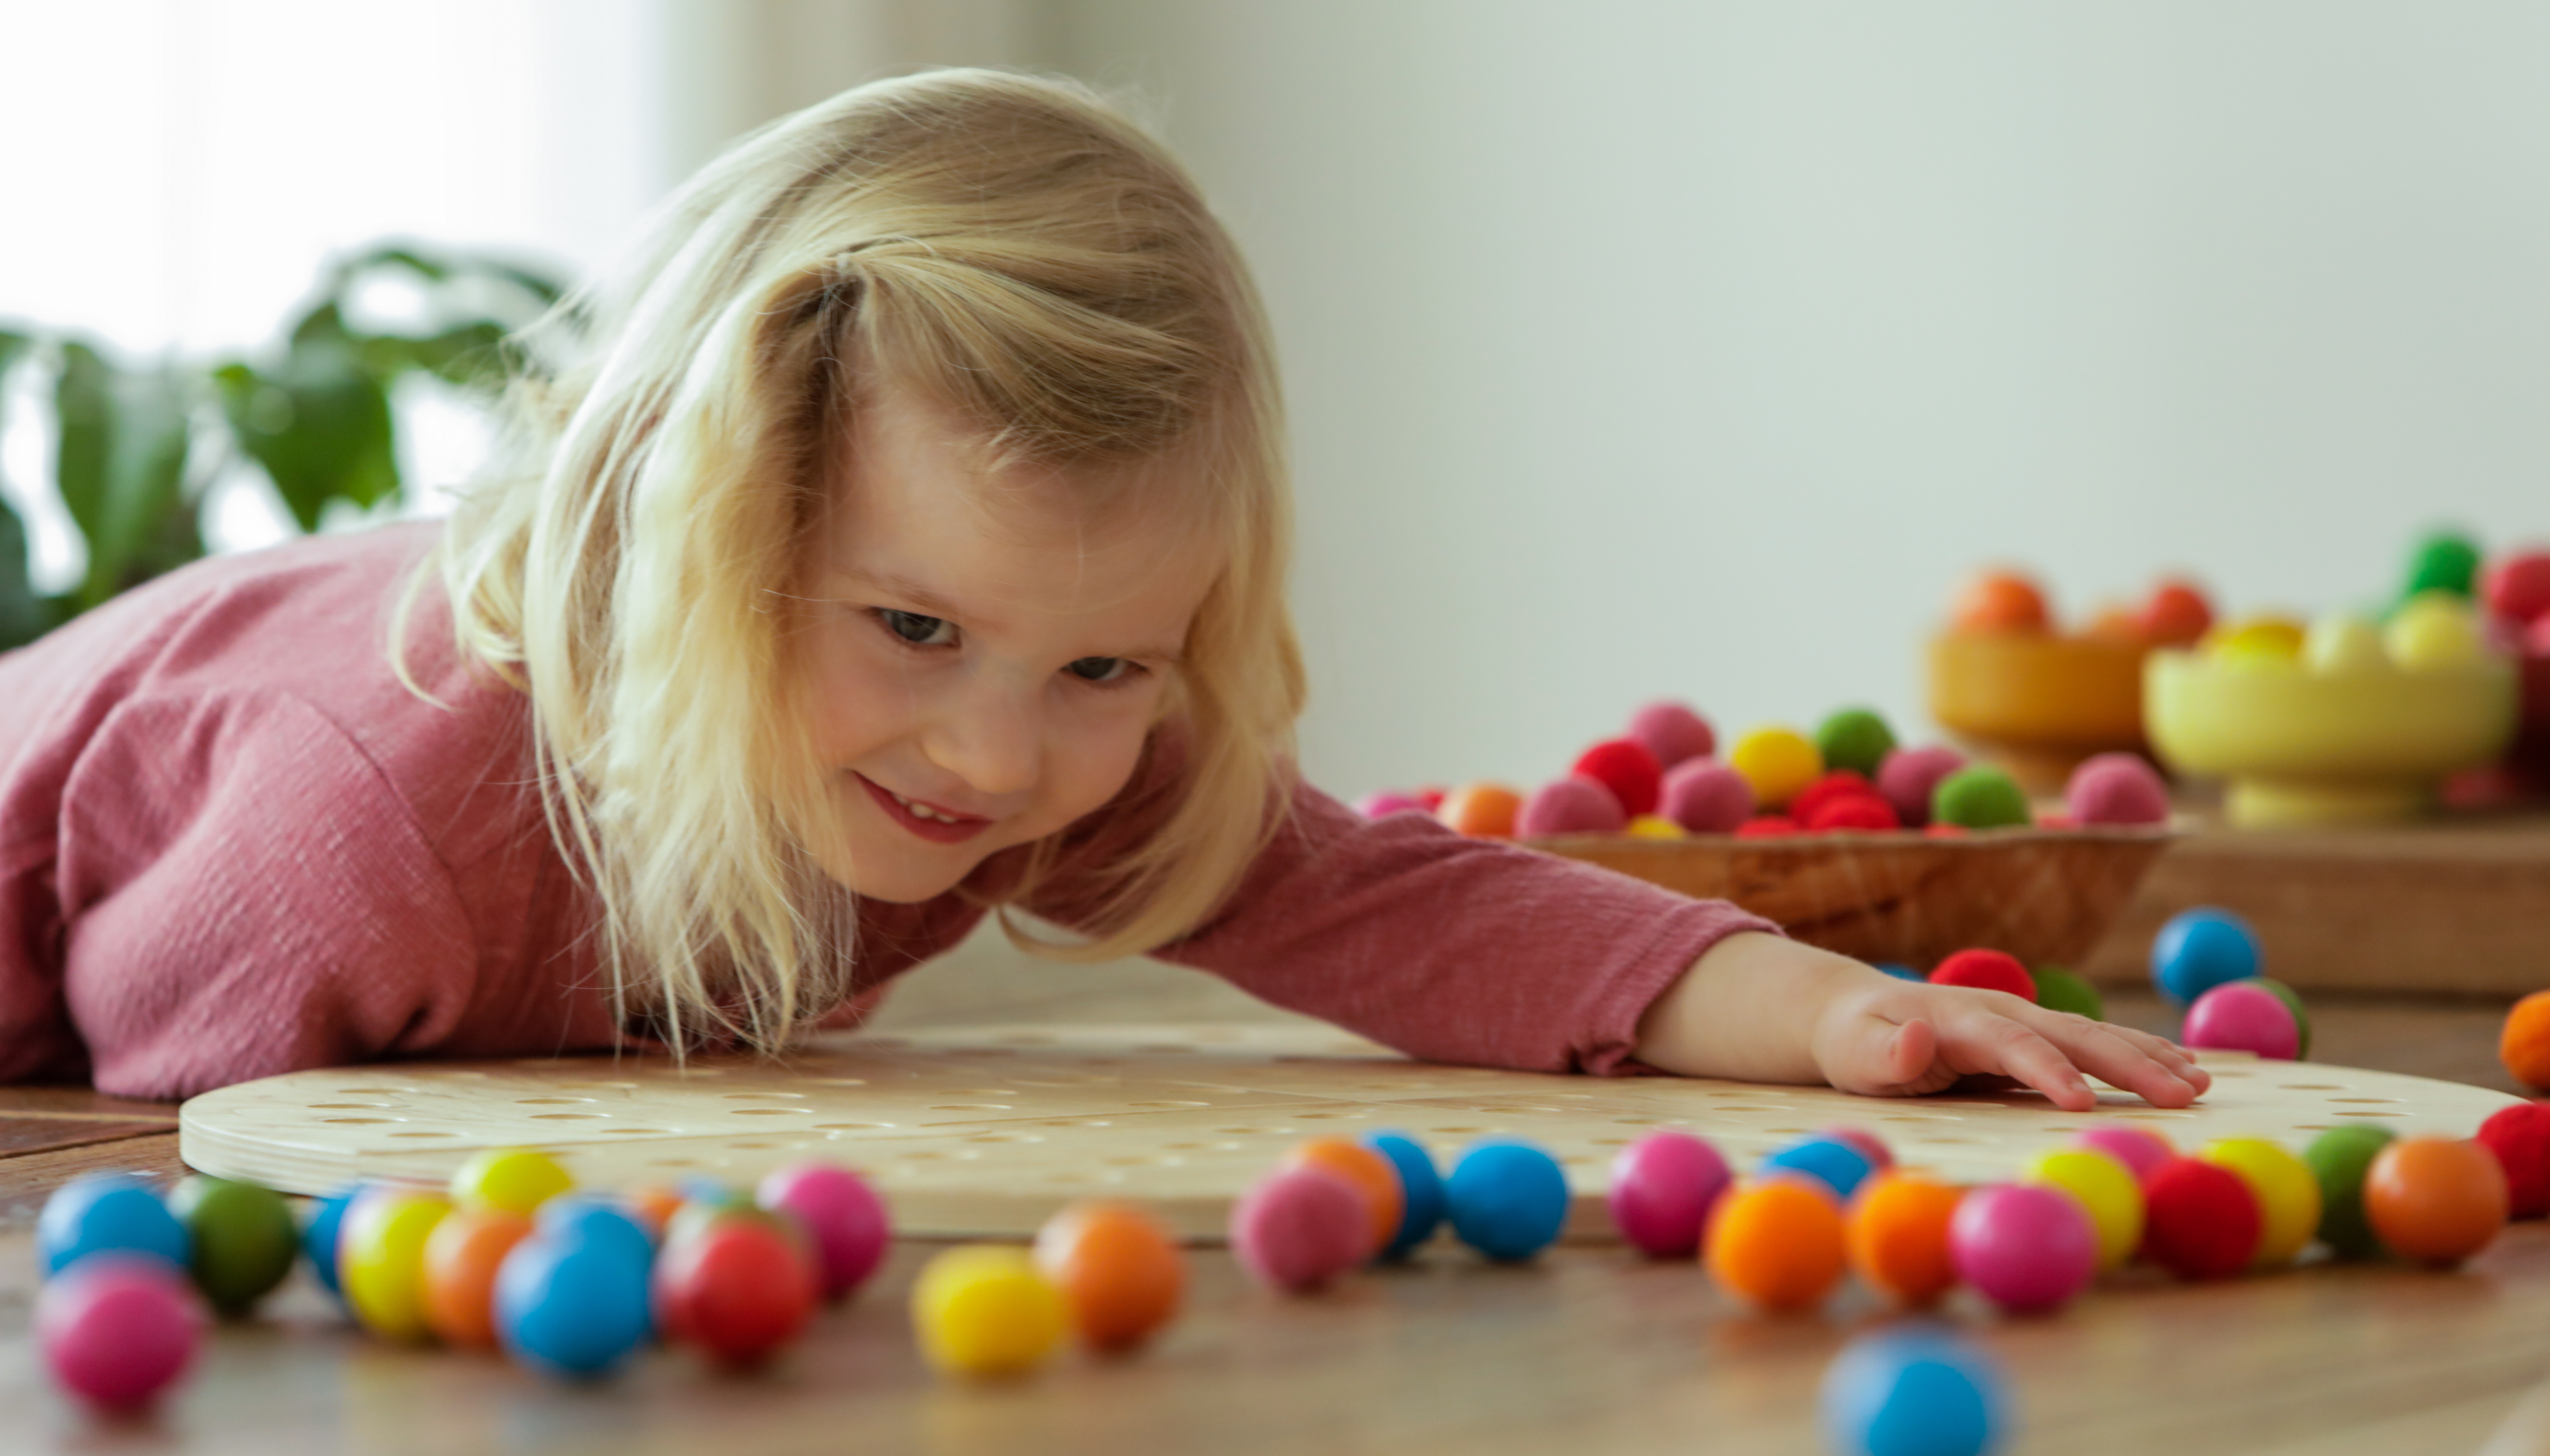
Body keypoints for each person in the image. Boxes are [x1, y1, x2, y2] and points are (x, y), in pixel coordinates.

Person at [0, 69, 2207, 1110]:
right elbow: (150, 1129)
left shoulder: (1045, 751)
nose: (1003, 750)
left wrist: (1838, 1017)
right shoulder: (362, 821)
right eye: (913, 629)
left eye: (1107, 660)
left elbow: (1393, 904)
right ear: (696, 544)